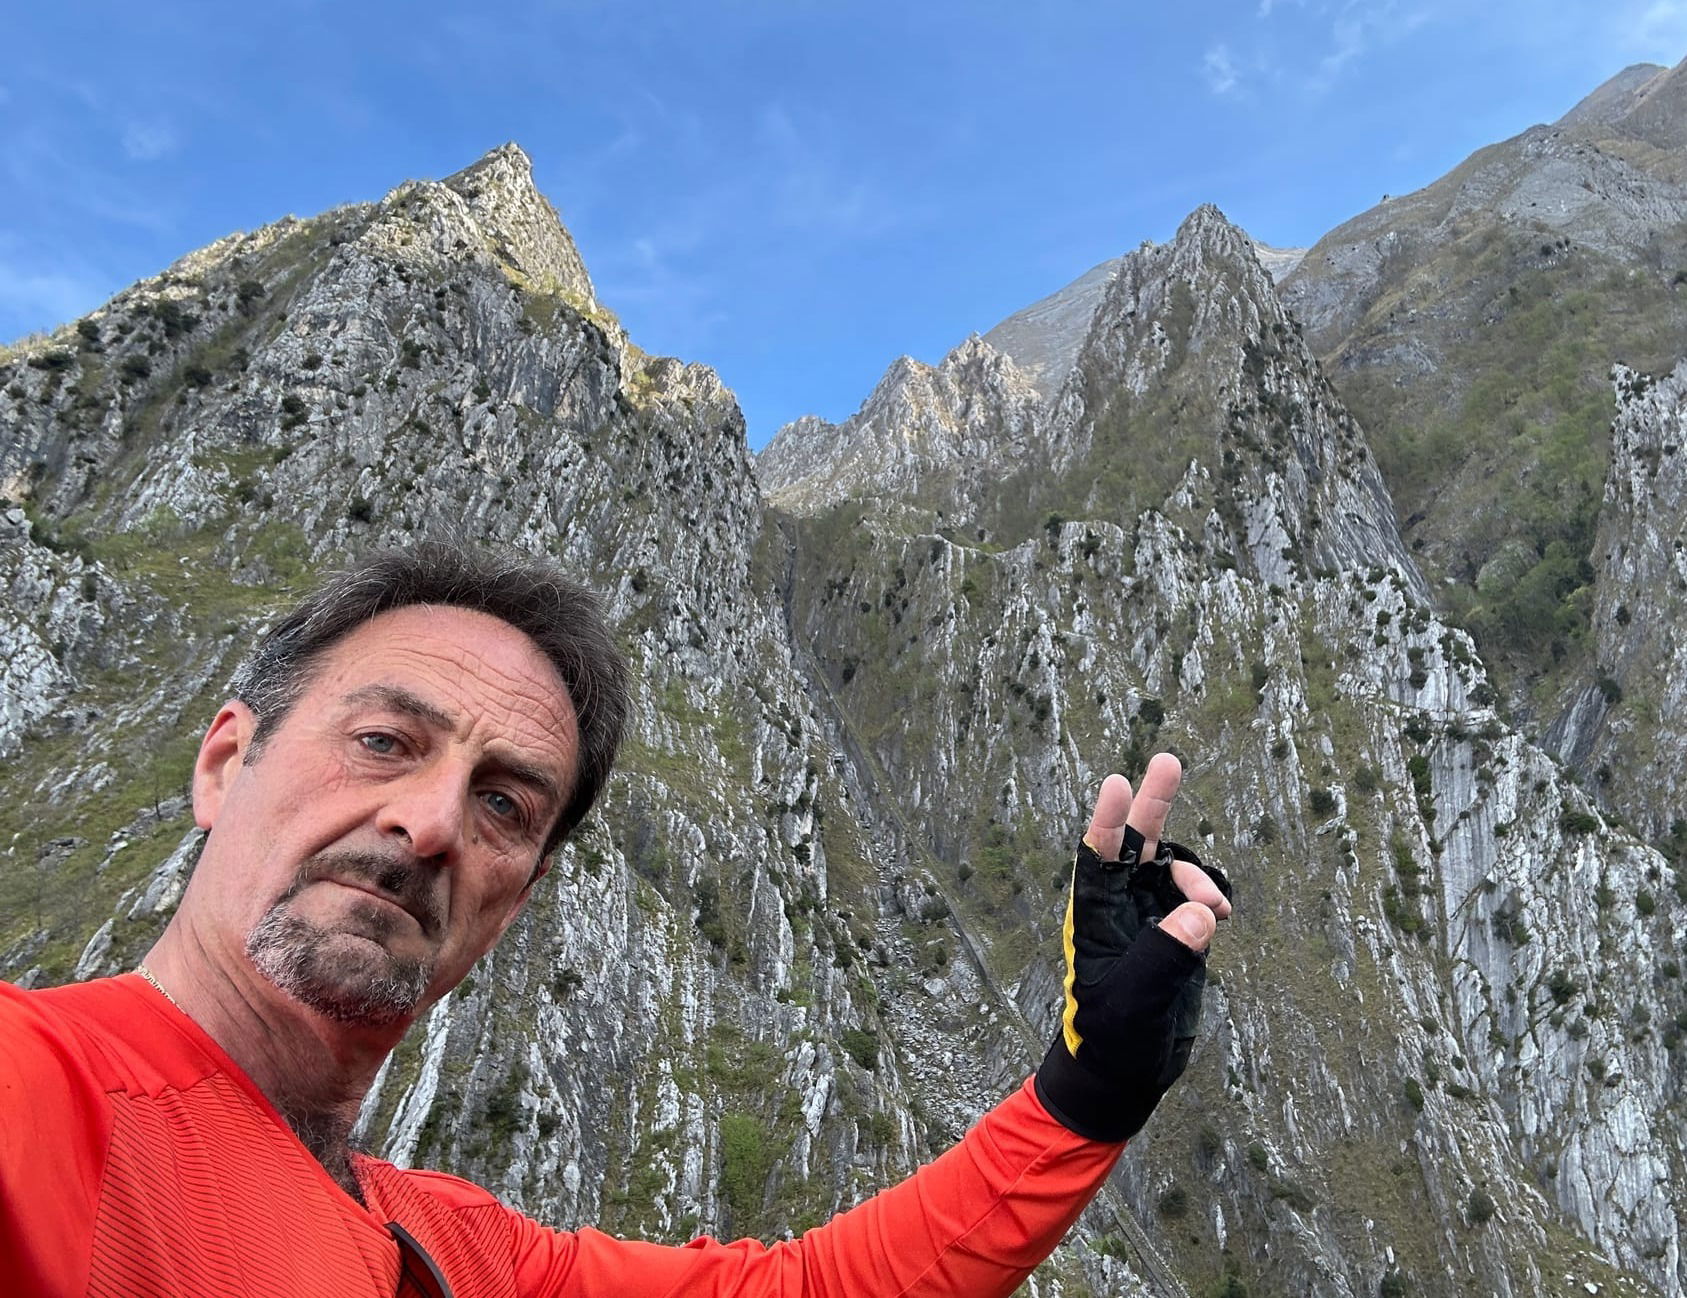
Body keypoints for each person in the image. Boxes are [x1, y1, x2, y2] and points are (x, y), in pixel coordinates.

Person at [0, 542, 1233, 1297]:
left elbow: (820, 1286)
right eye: (382, 739)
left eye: (503, 803)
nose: (429, 821)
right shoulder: (39, 1096)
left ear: (516, 896)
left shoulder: (465, 1251)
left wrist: (1085, 1093)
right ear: (226, 762)